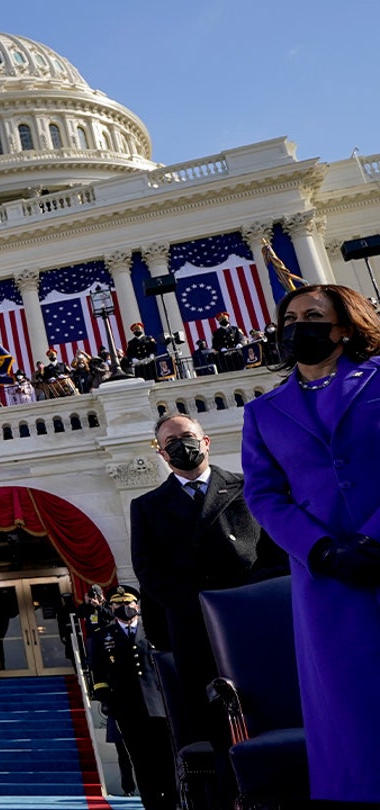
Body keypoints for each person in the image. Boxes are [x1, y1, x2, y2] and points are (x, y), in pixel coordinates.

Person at [240, 283, 380, 806]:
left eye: (313, 316)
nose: (299, 326)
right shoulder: (264, 412)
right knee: (350, 710)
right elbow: (264, 495)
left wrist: (372, 539)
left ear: (343, 326)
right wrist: (320, 549)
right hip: (327, 581)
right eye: (290, 318)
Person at [129, 413, 286, 761]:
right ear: (162, 453)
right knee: (216, 728)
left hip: (255, 621)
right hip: (196, 630)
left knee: (275, 715)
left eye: (186, 436)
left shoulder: (248, 487)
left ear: (206, 441)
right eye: (170, 442)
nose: (180, 445)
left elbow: (276, 553)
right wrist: (202, 604)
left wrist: (244, 600)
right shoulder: (146, 507)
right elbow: (148, 570)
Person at [87, 587, 174, 810]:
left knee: (165, 757)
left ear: (137, 605)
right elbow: (98, 671)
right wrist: (106, 699)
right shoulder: (102, 636)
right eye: (117, 604)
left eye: (128, 603)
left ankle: (172, 801)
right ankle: (152, 804)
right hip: (126, 708)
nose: (123, 608)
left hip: (158, 706)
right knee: (140, 760)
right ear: (111, 607)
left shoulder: (154, 630)